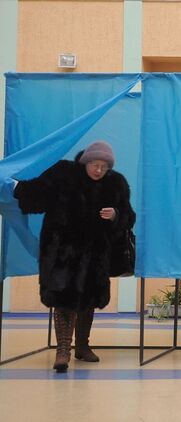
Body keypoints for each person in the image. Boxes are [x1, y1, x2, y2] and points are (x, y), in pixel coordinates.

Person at [12, 141, 135, 372]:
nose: (99, 170)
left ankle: (82, 346)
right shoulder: (63, 174)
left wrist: (116, 215)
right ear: (85, 161)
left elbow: (129, 217)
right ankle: (63, 351)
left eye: (104, 167)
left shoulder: (116, 184)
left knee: (88, 300)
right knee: (63, 299)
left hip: (95, 254)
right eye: (95, 165)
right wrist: (12, 186)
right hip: (61, 252)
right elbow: (35, 196)